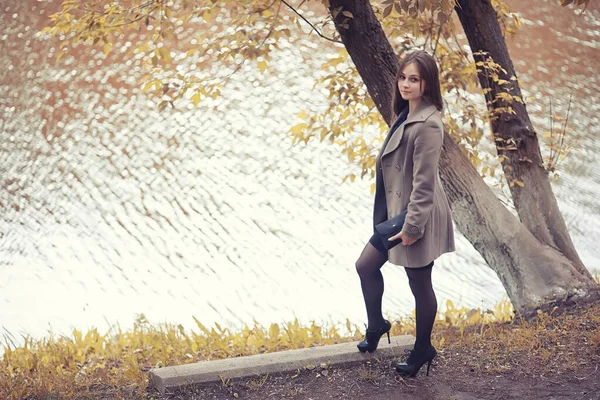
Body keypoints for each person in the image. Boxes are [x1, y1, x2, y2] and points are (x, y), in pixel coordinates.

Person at [355, 50, 455, 377]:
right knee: (365, 265)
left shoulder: (428, 124)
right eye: (403, 77)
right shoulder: (405, 114)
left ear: (427, 84)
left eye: (414, 79)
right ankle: (377, 325)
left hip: (416, 214)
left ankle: (423, 347)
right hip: (400, 211)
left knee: (419, 281)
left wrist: (413, 227)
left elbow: (424, 184)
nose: (406, 84)